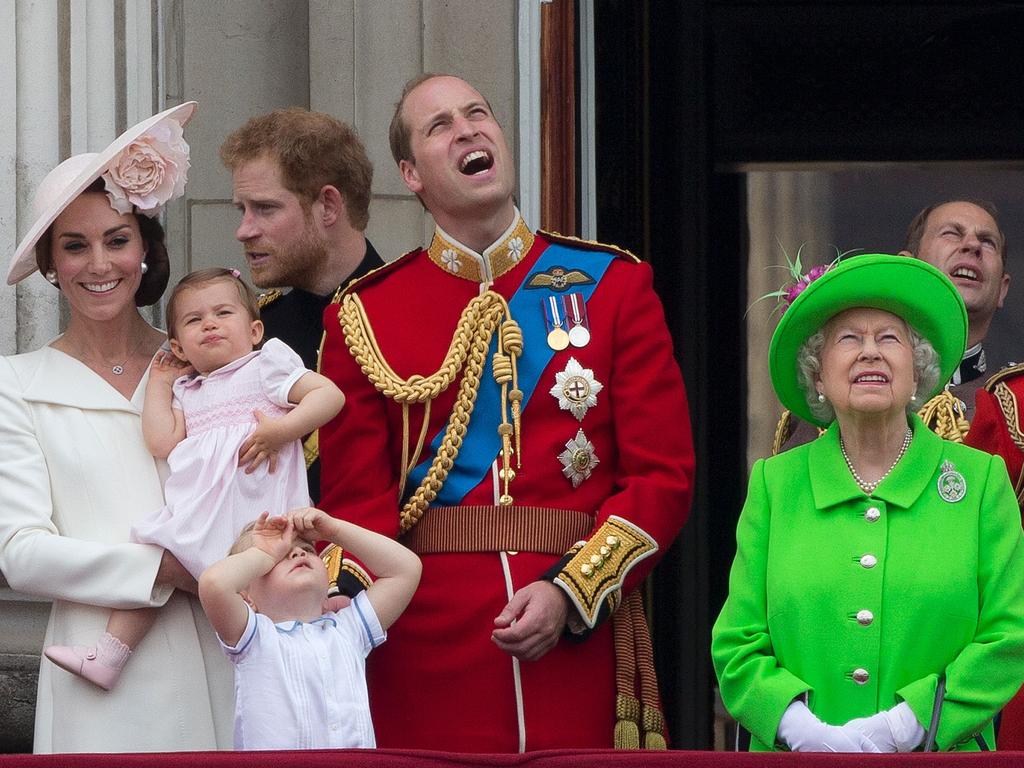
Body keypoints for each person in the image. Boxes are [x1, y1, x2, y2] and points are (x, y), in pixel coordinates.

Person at [317, 73, 695, 751]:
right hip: (421, 649)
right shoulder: (365, 313)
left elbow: (661, 478)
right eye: (439, 126)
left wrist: (569, 593)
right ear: (411, 174)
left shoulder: (613, 285)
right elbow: (355, 506)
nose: (467, 129)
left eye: (477, 114)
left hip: (574, 640)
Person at [712, 253, 1024, 752]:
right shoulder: (776, 484)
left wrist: (906, 727)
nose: (870, 353)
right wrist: (802, 731)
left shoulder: (980, 482)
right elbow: (736, 643)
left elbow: (1010, 637)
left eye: (889, 338)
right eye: (848, 339)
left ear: (918, 371)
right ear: (817, 375)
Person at [0, 103, 235, 752]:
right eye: (74, 246)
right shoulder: (15, 386)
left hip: (224, 656)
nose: (98, 263)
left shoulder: (203, 365)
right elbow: (21, 552)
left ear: (146, 251)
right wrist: (164, 567)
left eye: (116, 239)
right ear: (51, 265)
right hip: (100, 679)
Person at [43, 268, 345, 691]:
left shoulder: (268, 366)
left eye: (223, 313)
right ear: (178, 346)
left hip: (259, 516)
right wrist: (160, 385)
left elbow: (330, 395)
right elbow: (160, 440)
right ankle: (110, 654)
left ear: (255, 329)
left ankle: (321, 626)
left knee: (277, 586)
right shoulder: (189, 388)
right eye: (193, 320)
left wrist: (284, 429)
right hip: (202, 517)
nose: (210, 324)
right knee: (156, 561)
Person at [220, 109, 384, 505]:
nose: (244, 230)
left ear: (328, 206)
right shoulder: (257, 331)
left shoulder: (407, 315)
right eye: (242, 210)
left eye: (265, 208)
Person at [773, 200, 1011, 453]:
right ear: (909, 265)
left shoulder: (1015, 405)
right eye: (952, 233)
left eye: (987, 241)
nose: (973, 245)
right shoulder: (830, 400)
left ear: (1003, 289)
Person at [199, 506, 420, 750]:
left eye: (306, 549)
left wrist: (335, 530)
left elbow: (406, 570)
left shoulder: (348, 630)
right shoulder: (255, 638)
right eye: (279, 558)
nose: (296, 554)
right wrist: (263, 552)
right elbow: (213, 585)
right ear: (247, 598)